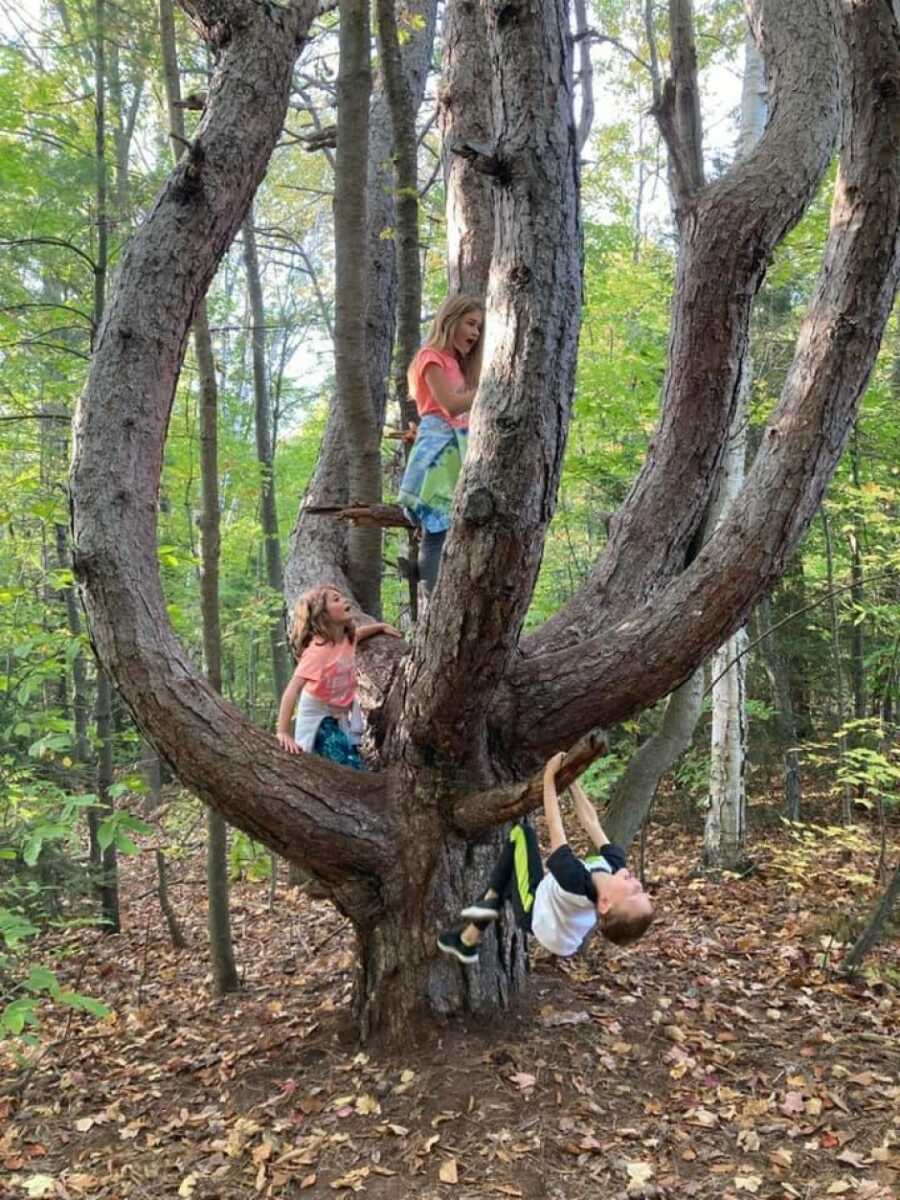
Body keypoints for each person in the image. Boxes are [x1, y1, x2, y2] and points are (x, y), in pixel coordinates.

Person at [438, 752, 654, 964]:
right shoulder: (615, 865)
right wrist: (571, 779)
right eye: (642, 889)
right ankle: (468, 937)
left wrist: (549, 776)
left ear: (605, 903)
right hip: (554, 912)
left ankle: (471, 933)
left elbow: (554, 823)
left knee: (521, 835)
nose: (637, 882)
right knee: (506, 880)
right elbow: (591, 822)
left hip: (532, 911)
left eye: (634, 892)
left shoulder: (574, 879)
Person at [397, 294, 485, 595]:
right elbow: (449, 405)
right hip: (438, 450)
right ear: (450, 320)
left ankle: (434, 586)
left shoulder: (456, 364)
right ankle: (433, 600)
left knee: (449, 529)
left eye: (479, 328)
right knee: (437, 530)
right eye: (470, 324)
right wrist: (491, 386)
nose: (474, 333)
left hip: (456, 449)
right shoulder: (430, 356)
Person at [275, 585, 400, 768]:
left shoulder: (347, 638)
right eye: (336, 599)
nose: (345, 600)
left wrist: (380, 627)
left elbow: (359, 633)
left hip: (338, 710)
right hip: (317, 714)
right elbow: (292, 690)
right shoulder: (318, 651)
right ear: (323, 615)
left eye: (342, 597)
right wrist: (283, 732)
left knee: (344, 751)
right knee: (346, 762)